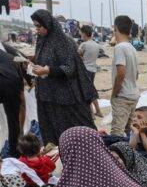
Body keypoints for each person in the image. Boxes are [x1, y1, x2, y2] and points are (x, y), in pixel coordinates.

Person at [29, 9, 97, 145]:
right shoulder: (42, 41)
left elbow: (69, 68)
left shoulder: (63, 41)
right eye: (35, 26)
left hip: (66, 98)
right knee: (52, 134)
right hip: (47, 96)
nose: (37, 30)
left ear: (47, 24)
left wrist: (48, 70)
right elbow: (42, 59)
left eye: (39, 26)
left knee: (75, 133)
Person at [108, 15, 141, 137]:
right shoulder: (132, 48)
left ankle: (117, 155)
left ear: (115, 28)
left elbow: (121, 73)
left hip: (123, 96)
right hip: (133, 94)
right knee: (129, 132)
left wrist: (114, 93)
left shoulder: (120, 48)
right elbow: (136, 75)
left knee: (117, 132)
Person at [77, 25, 103, 120]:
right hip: (93, 69)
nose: (80, 34)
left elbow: (77, 56)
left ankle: (91, 113)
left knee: (86, 92)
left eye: (80, 32)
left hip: (85, 70)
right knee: (91, 90)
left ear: (84, 33)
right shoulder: (96, 45)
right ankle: (98, 111)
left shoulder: (84, 45)